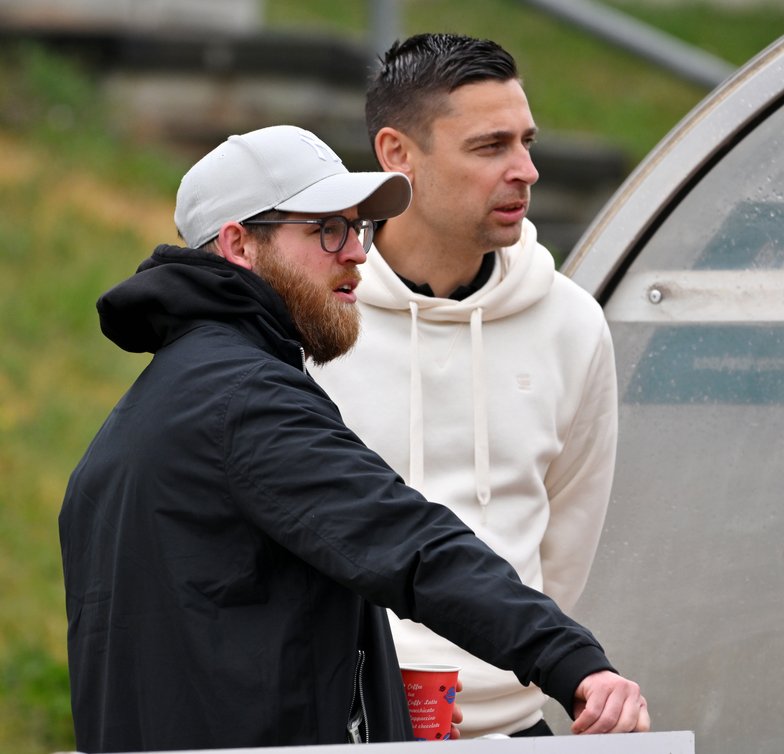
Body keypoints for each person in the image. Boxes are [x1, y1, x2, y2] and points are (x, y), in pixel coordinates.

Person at [58, 124, 647, 753]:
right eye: (327, 230)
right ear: (239, 244)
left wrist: (387, 705)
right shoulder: (245, 400)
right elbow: (408, 542)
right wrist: (569, 658)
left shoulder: (156, 406)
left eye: (357, 228)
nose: (357, 254)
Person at [310, 34, 620, 739]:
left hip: (517, 722)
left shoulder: (572, 322)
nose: (526, 170)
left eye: (527, 142)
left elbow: (567, 541)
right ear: (397, 154)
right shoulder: (315, 320)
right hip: (349, 724)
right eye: (490, 147)